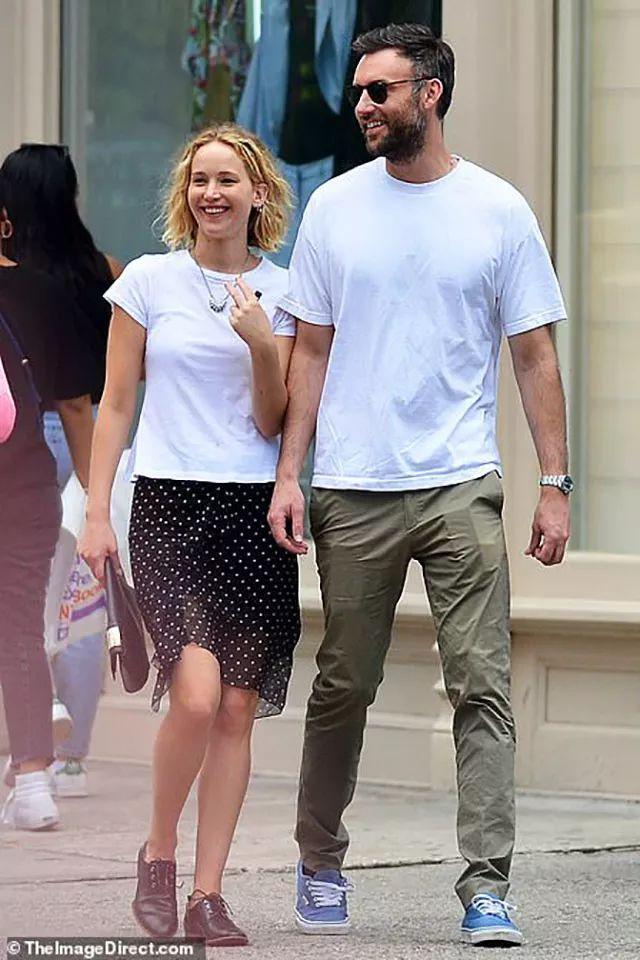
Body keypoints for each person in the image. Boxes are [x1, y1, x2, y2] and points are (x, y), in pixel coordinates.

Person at [268, 23, 571, 947]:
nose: (361, 105)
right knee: (344, 684)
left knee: (482, 687)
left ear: (429, 93)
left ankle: (488, 888)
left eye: (379, 91)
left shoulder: (498, 210)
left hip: (459, 483)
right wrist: (290, 474)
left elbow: (533, 354)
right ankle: (321, 861)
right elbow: (309, 351)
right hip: (352, 484)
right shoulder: (335, 208)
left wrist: (555, 482)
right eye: (359, 90)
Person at [79, 123, 300, 946]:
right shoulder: (148, 281)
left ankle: (208, 895)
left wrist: (262, 347)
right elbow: (115, 405)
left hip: (253, 512)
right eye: (200, 180)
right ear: (187, 193)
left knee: (236, 708)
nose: (212, 193)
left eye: (228, 181)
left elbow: (274, 420)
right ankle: (159, 851)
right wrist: (97, 512)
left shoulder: (285, 292)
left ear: (258, 195)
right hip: (168, 505)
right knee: (196, 696)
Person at [0, 143, 123, 799]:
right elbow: (113, 379)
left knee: (23, 602)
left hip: (24, 438)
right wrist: (99, 487)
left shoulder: (16, 280)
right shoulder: (102, 271)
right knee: (78, 595)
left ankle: (32, 741)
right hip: (85, 433)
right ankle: (70, 757)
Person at [0, 202, 94, 831]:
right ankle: (34, 779)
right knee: (20, 625)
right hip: (27, 483)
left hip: (23, 487)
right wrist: (94, 497)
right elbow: (77, 405)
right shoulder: (43, 293)